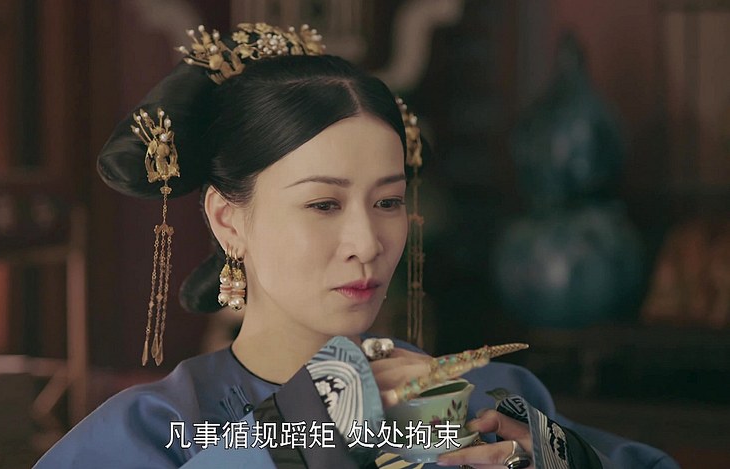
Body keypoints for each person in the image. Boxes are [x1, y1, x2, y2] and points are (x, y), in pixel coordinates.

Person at [34, 24, 679, 468]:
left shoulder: (487, 394)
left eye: (388, 202)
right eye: (323, 204)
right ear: (228, 220)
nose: (367, 242)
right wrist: (310, 429)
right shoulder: (155, 429)